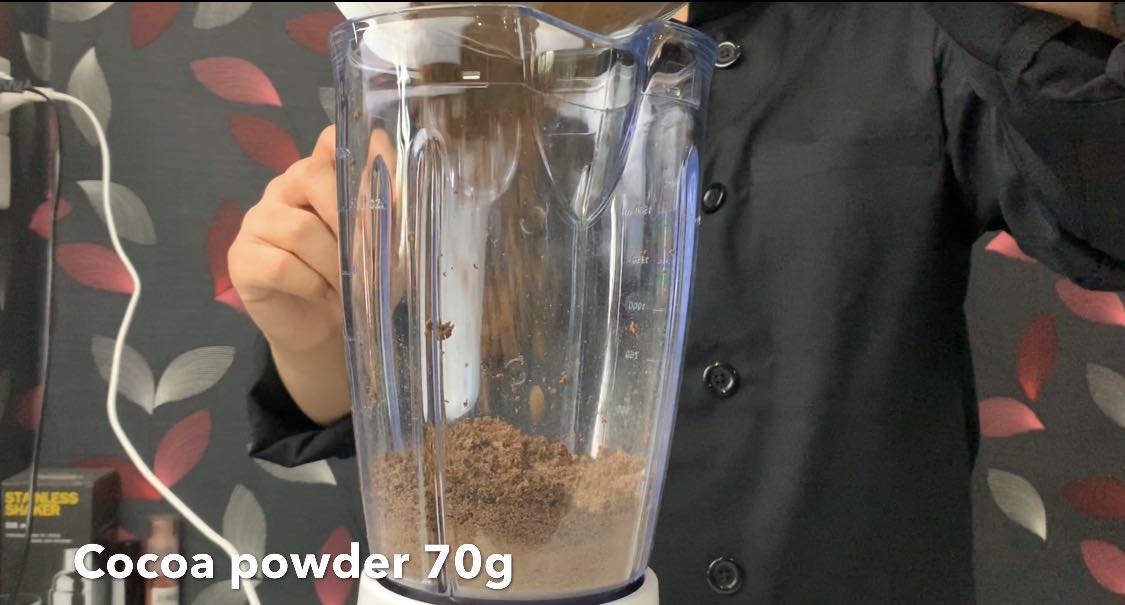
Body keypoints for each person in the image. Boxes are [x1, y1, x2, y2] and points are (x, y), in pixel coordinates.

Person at [229, 3, 1125, 603]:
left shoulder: (895, 27)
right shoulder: (456, 60)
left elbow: (1102, 211)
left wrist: (1063, 25)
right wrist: (312, 329)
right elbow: (420, 381)